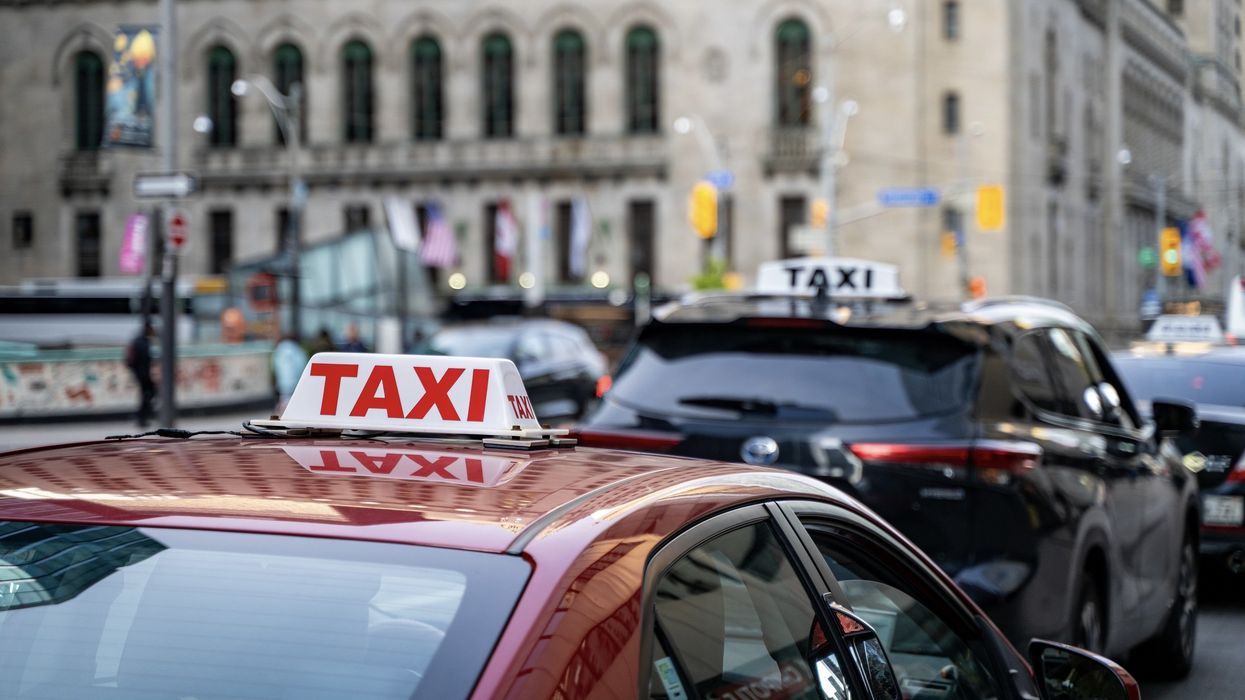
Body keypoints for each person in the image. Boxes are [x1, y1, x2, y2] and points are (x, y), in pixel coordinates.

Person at [125, 322, 157, 428]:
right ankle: (141, 416)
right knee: (148, 394)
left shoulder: (139, 341)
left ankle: (142, 415)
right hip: (143, 374)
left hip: (140, 373)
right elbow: (145, 359)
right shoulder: (143, 342)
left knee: (147, 394)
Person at [272, 334, 309, 414]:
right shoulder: (297, 350)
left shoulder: (281, 350)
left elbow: (282, 370)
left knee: (285, 406)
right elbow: (302, 365)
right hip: (296, 383)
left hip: (285, 384)